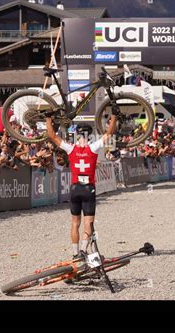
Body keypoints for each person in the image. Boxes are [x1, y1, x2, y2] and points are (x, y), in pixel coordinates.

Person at [45, 109, 117, 259]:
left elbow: (52, 136)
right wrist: (114, 116)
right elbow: (109, 134)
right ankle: (84, 251)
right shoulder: (93, 147)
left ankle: (74, 253)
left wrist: (48, 118)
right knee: (88, 223)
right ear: (89, 135)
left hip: (75, 189)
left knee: (74, 223)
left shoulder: (71, 148)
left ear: (77, 134)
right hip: (88, 189)